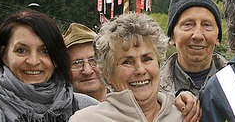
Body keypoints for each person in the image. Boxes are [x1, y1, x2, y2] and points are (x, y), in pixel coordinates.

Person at [0, 10, 98, 121]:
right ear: (5, 56)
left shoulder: (87, 109)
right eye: (21, 50)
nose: (33, 61)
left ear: (56, 58)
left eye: (44, 51)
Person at [70, 13, 200, 122]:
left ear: (159, 63)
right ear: (108, 73)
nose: (140, 70)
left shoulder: (187, 116)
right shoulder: (86, 120)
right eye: (127, 62)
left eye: (147, 59)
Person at [161, 0, 228, 96]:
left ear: (217, 38)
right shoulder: (152, 89)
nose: (198, 35)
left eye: (207, 25)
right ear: (172, 37)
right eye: (188, 24)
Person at [63, 23, 109, 101]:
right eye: (77, 63)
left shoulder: (128, 105)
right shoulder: (56, 111)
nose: (87, 71)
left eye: (94, 60)